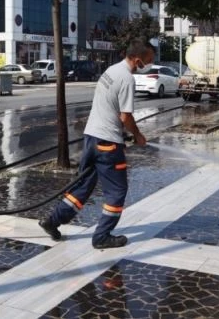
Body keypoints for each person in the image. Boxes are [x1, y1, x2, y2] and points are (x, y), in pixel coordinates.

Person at [39, 39, 155, 249]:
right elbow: (125, 116)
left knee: (83, 186)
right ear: (138, 59)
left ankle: (52, 221)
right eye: (148, 60)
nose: (149, 64)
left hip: (91, 138)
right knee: (117, 191)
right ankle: (102, 236)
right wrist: (137, 135)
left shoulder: (111, 70)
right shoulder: (127, 79)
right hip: (107, 144)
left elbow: (108, 107)